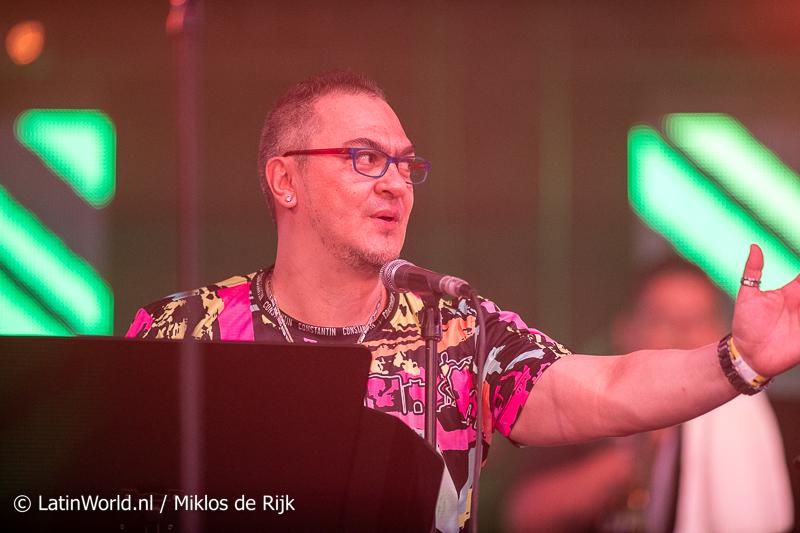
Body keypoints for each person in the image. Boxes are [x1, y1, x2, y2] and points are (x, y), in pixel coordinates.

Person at [127, 71, 800, 533]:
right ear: (285, 179)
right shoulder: (180, 331)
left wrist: (739, 359)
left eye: (405, 164)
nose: (395, 183)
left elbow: (607, 386)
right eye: (365, 158)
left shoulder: (455, 330)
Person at [501, 260, 794, 533]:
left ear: (721, 330)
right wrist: (635, 457)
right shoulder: (583, 400)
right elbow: (523, 514)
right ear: (626, 330)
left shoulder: (743, 416)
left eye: (698, 319)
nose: (684, 333)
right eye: (664, 320)